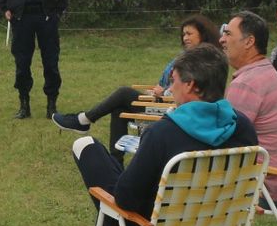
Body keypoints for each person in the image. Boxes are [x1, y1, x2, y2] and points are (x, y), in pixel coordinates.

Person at [69, 44, 257, 226]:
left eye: (173, 80)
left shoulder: (163, 133)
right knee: (120, 172)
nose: (170, 88)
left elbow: (125, 200)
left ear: (190, 85)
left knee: (86, 147)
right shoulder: (243, 127)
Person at [51, 14, 220, 163]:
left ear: (203, 34)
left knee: (124, 93)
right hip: (160, 102)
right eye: (183, 34)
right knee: (119, 107)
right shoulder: (192, 56)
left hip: (169, 110)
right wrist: (158, 91)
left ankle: (84, 120)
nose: (185, 38)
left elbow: (191, 90)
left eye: (189, 33)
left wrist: (165, 93)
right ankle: (114, 160)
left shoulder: (202, 60)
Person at [222, 11, 277, 204]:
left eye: (228, 34)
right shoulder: (265, 71)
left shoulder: (247, 83)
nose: (221, 39)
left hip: (263, 187)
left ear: (249, 42)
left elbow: (225, 141)